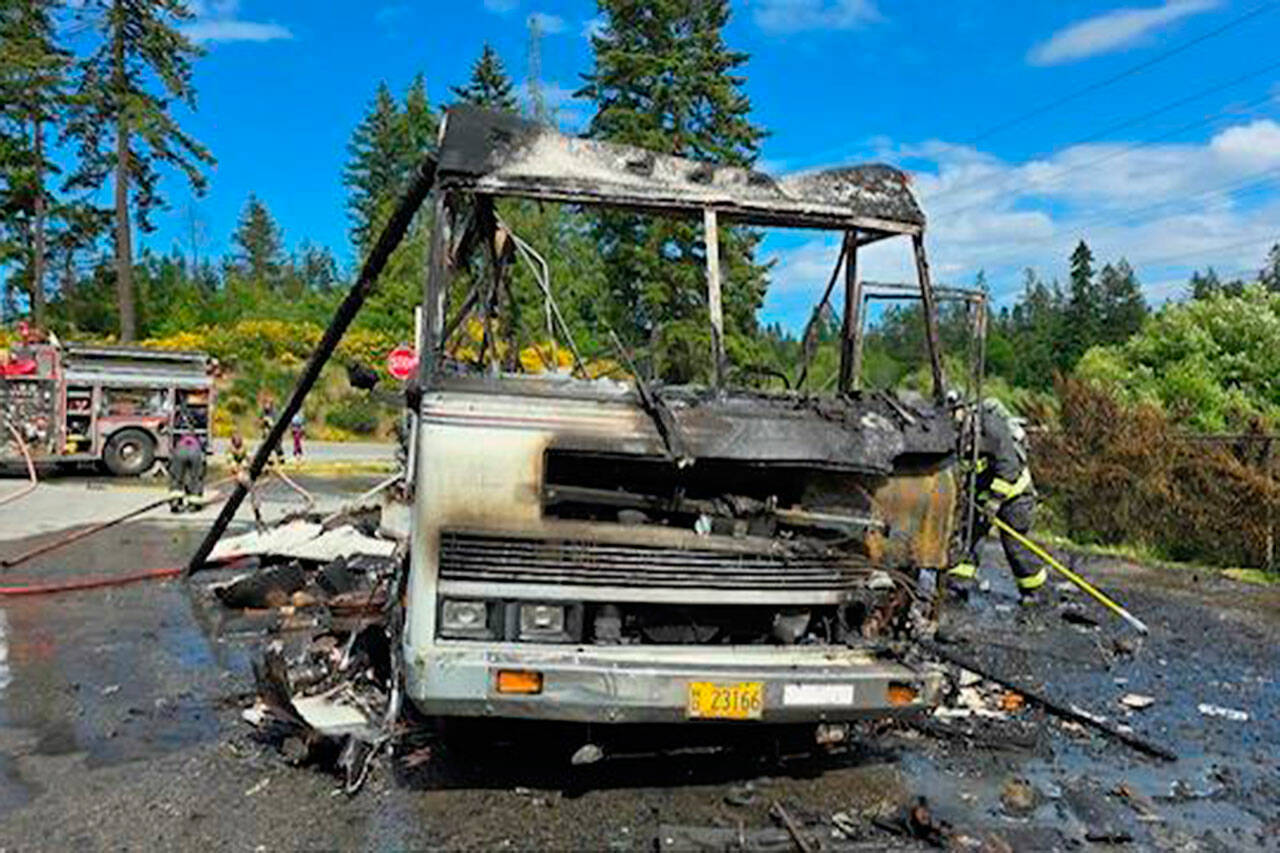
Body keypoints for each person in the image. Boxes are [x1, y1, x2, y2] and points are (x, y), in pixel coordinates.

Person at [947, 396, 1046, 602]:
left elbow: (1008, 468)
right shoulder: (962, 433)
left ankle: (1033, 590)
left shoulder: (991, 427)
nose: (952, 419)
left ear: (965, 409)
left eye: (954, 412)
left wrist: (995, 501)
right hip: (985, 496)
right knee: (970, 537)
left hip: (1016, 496)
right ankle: (960, 583)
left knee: (1014, 545)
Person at [168, 405, 207, 513]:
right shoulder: (201, 417)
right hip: (195, 448)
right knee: (195, 478)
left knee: (177, 477)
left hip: (180, 448)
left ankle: (175, 501)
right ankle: (193, 504)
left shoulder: (179, 417)